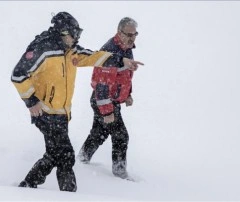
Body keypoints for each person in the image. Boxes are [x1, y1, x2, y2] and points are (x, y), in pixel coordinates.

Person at [11, 12, 143, 192]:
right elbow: (18, 75)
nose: (77, 38)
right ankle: (69, 194)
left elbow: (93, 56)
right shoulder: (43, 50)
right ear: (62, 33)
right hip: (45, 112)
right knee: (66, 156)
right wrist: (31, 101)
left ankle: (27, 186)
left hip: (62, 113)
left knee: (54, 154)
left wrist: (122, 60)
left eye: (78, 33)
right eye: (74, 34)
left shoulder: (72, 51)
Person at [77, 17, 141, 179]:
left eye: (135, 34)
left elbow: (125, 75)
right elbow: (102, 85)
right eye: (128, 34)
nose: (132, 38)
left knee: (99, 132)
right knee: (121, 136)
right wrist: (107, 112)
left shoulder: (127, 48)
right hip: (103, 100)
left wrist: (128, 94)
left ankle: (82, 158)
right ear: (119, 32)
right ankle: (119, 173)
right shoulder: (110, 50)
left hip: (111, 100)